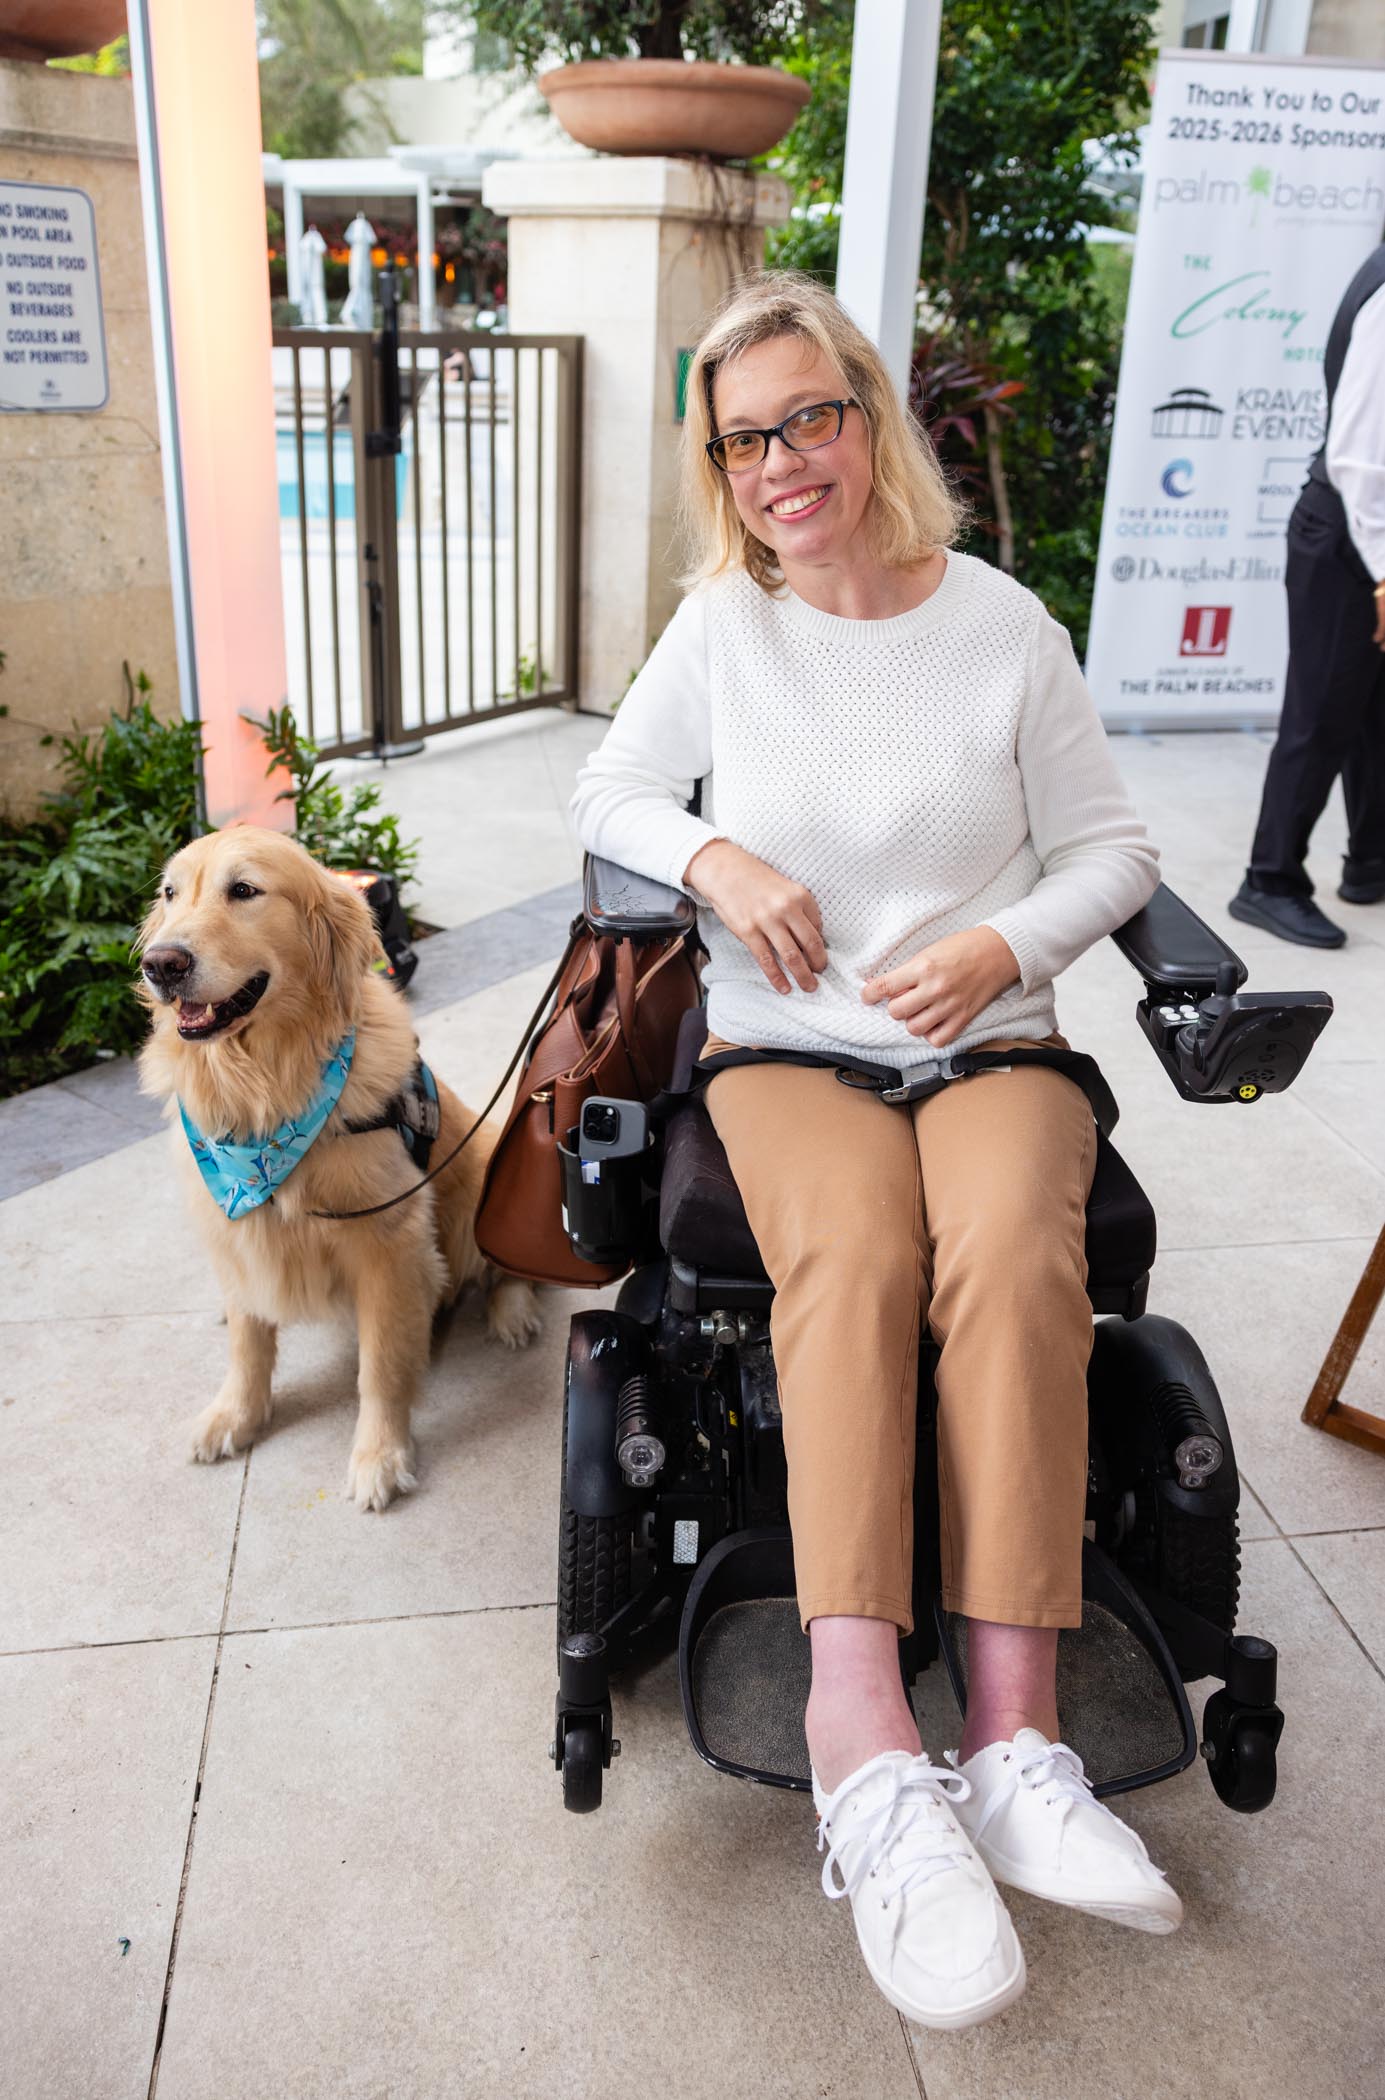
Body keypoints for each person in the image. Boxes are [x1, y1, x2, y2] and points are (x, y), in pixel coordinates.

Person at [570, 272, 1173, 2033]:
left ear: (867, 415)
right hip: (788, 1049)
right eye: (740, 440)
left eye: (807, 419)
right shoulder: (723, 631)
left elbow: (1116, 853)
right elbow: (608, 793)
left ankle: (1018, 1742)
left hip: (989, 1040)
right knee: (854, 1257)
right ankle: (862, 1740)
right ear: (720, 466)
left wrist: (1005, 945)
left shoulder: (1003, 628)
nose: (779, 465)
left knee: (1014, 1255)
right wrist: (716, 861)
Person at [1229, 239, 1385, 948]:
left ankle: (1370, 862)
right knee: (1319, 716)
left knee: (1371, 711)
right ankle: (1268, 882)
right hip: (1352, 533)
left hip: (1362, 534)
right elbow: (1361, 457)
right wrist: (1382, 569)